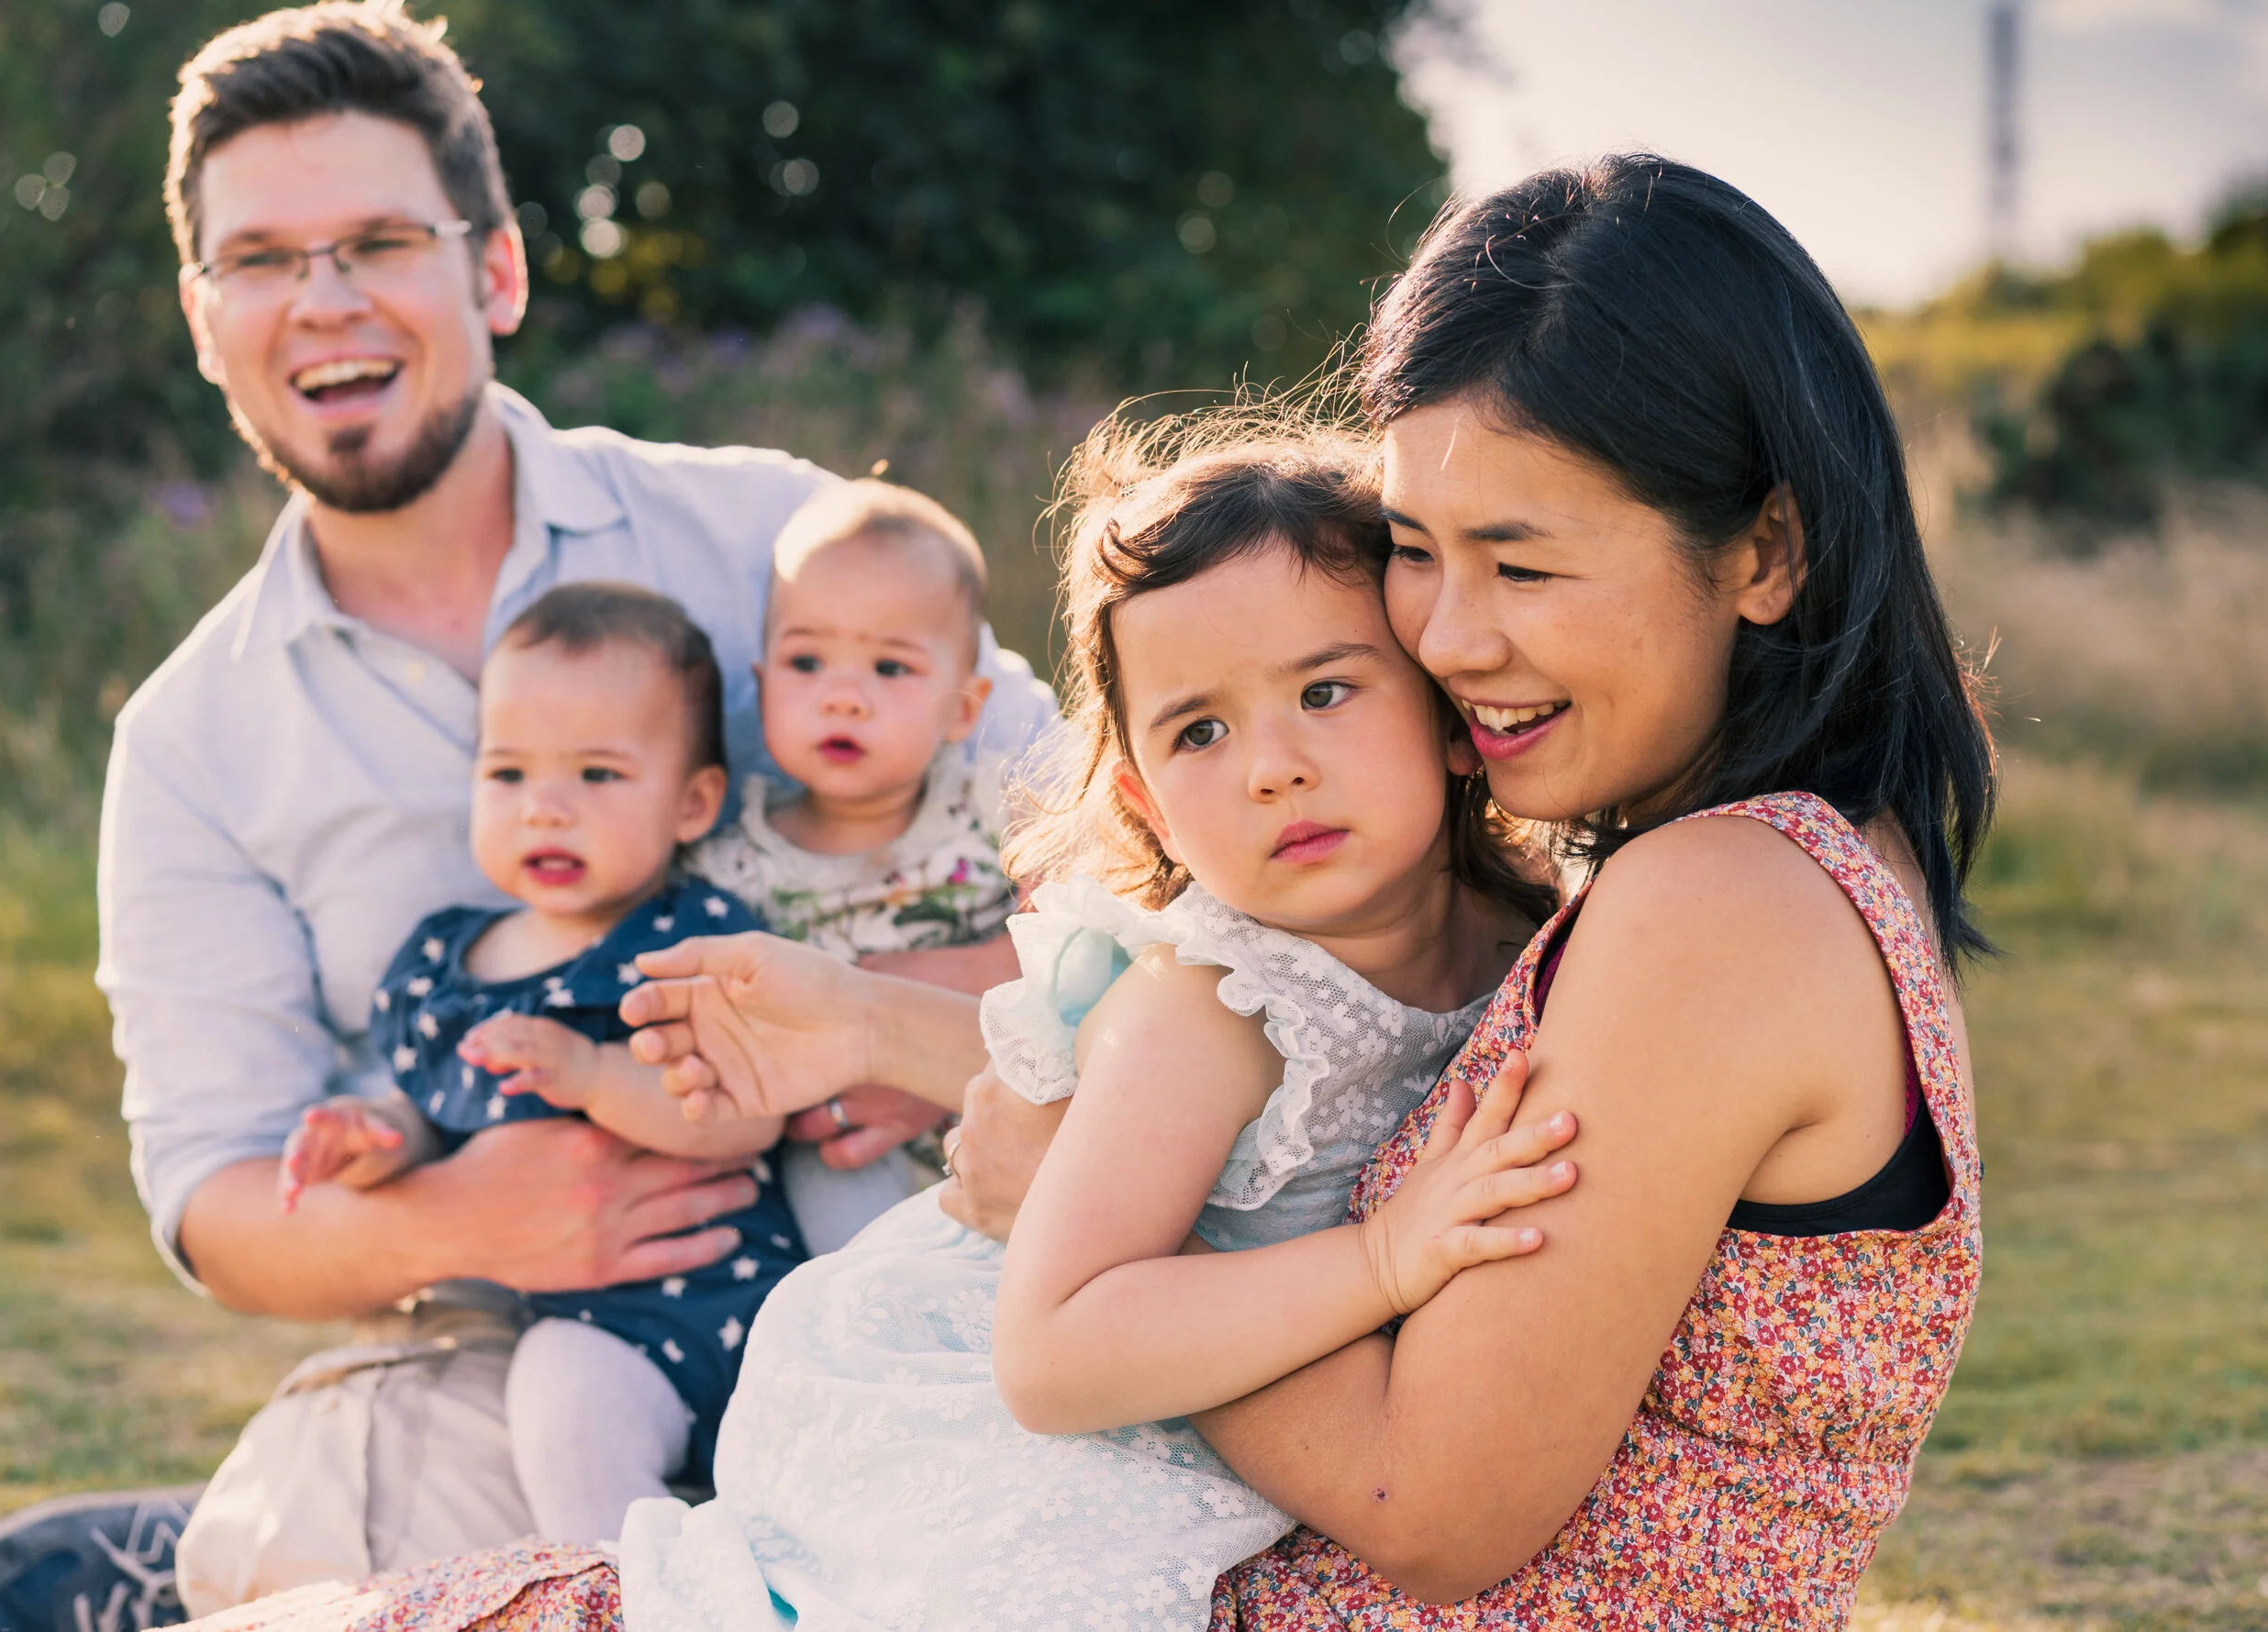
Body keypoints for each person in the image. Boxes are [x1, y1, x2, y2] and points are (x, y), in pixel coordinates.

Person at [166, 151, 1995, 1629]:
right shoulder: (1705, 873)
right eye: (1421, 556)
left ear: (1761, 546)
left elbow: (1429, 1505)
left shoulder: (1716, 906)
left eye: (1515, 560)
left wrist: (1073, 1198)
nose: (1450, 635)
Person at [0, 0, 1051, 1632]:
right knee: (354, 1557)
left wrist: (890, 1026)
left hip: (896, 1251)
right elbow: (207, 1190)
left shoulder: (772, 540)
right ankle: (218, 1543)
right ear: (204, 317)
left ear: (496, 269)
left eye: (379, 242)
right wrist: (474, 1211)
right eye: (261, 260)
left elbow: (1118, 857)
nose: (321, 303)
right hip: (525, 1336)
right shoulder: (191, 739)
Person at [615, 432, 1572, 1632]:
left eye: (1326, 691)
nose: (1274, 766)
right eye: (1200, 732)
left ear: (1446, 709)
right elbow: (1055, 1351)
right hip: (986, 1394)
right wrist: (1383, 1261)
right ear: (1144, 799)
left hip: (1209, 1374)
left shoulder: (1538, 930)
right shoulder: (1213, 1003)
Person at [276, 583, 806, 1543]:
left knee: (825, 1501)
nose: (545, 810)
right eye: (508, 774)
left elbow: (750, 1114)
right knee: (559, 1411)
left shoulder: (693, 941)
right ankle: (628, 1598)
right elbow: (435, 1114)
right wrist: (375, 1136)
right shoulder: (446, 964)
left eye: (597, 776)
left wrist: (598, 1078)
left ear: (693, 803)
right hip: (599, 1335)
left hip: (745, 1307)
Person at [686, 478, 1017, 961]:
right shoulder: (730, 873)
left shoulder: (1002, 815)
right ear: (762, 689)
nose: (842, 699)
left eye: (889, 668)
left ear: (962, 708)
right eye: (806, 663)